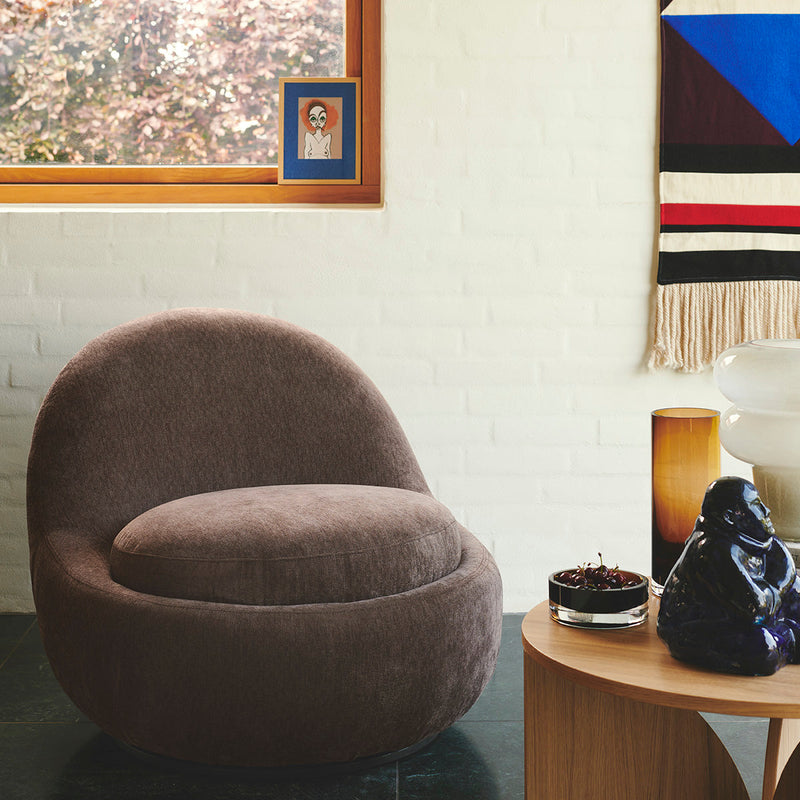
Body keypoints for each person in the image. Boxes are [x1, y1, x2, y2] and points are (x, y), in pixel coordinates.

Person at [657, 476, 800, 675]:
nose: (767, 510)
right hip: (696, 627)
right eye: (756, 504)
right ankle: (789, 638)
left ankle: (784, 633)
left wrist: (783, 582)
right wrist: (781, 581)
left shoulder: (760, 541)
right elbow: (755, 609)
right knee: (762, 647)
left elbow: (788, 586)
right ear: (730, 517)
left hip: (748, 615)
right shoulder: (712, 550)